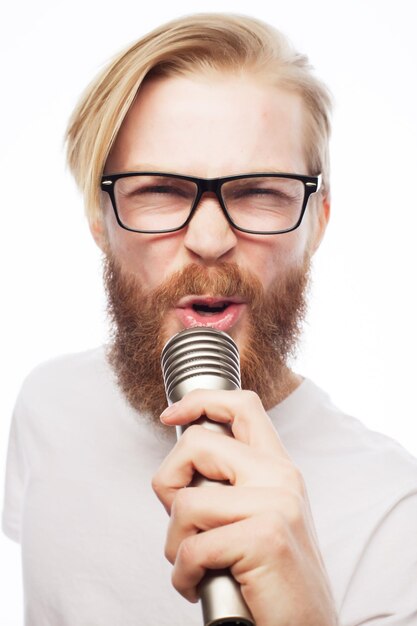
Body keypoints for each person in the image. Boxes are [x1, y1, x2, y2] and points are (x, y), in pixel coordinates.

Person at [2, 12, 417, 626]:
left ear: (318, 222)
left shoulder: (395, 517)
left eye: (258, 191)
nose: (210, 238)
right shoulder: (47, 407)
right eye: (161, 190)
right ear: (100, 220)